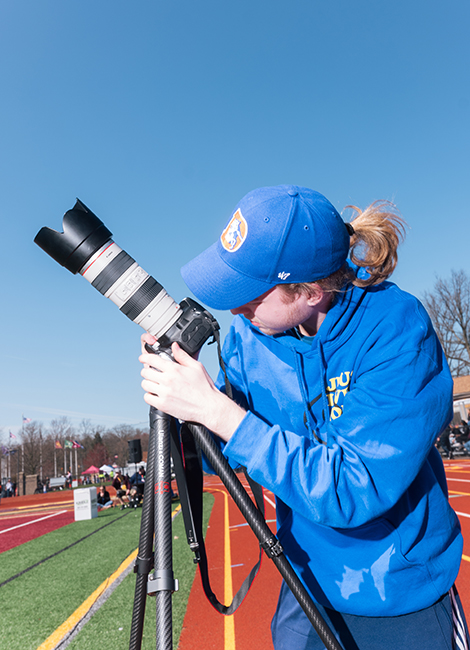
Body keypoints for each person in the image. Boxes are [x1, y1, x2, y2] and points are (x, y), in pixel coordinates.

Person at [138, 185, 468, 650]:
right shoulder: (248, 338)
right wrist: (182, 409)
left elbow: (353, 488)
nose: (235, 307)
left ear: (310, 291)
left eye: (251, 293)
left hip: (399, 591)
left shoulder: (396, 330)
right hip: (306, 581)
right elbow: (225, 456)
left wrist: (219, 412)